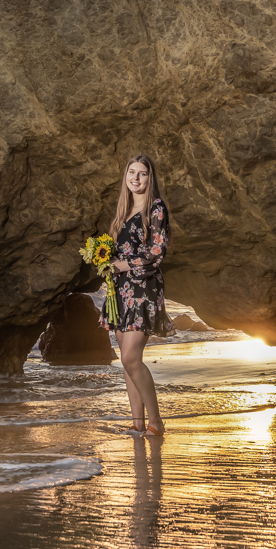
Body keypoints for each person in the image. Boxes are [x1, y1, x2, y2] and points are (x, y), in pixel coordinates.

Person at [104, 154, 172, 436]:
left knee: (131, 358)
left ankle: (156, 422)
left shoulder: (156, 208)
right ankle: (137, 423)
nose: (136, 178)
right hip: (120, 290)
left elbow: (158, 251)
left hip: (143, 288)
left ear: (150, 177)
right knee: (127, 361)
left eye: (142, 173)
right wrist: (107, 263)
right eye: (131, 172)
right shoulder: (124, 210)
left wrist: (125, 264)